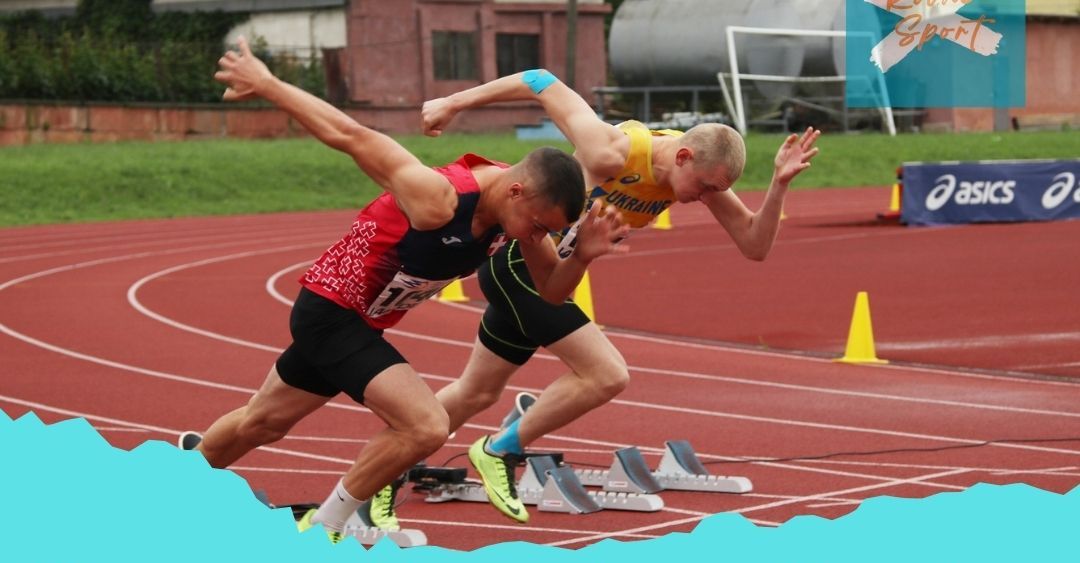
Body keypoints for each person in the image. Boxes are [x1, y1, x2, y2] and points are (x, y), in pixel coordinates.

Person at [180, 45, 629, 542]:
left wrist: (581, 256)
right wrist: (267, 84)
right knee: (426, 425)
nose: (537, 238)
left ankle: (176, 479)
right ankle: (325, 526)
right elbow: (350, 135)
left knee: (262, 424)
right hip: (330, 313)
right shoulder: (438, 199)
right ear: (516, 191)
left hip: (359, 322)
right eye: (539, 226)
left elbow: (550, 292)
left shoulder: (518, 216)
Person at [417, 69, 821, 523]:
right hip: (519, 261)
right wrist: (451, 102)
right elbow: (538, 80)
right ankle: (499, 449)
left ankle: (389, 468)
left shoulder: (693, 173)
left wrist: (779, 184)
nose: (706, 197)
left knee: (476, 391)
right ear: (683, 156)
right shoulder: (611, 150)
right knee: (606, 374)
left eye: (716, 190)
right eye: (706, 187)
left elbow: (754, 245)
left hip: (552, 277)